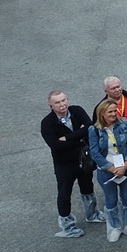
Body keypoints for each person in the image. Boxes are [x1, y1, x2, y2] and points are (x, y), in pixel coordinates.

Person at [42, 91, 103, 238]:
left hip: (84, 160)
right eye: (57, 102)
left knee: (88, 187)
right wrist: (80, 136)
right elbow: (56, 146)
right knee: (64, 194)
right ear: (51, 106)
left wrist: (67, 138)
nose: (62, 104)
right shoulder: (47, 123)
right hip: (64, 165)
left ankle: (92, 214)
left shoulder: (77, 110)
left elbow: (90, 128)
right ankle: (67, 226)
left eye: (63, 100)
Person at [88, 99, 127, 242]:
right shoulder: (94, 130)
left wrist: (125, 165)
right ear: (102, 114)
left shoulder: (124, 124)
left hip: (126, 168)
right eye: (110, 111)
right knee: (111, 199)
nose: (114, 114)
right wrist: (111, 168)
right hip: (106, 171)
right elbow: (95, 153)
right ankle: (115, 226)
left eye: (115, 111)